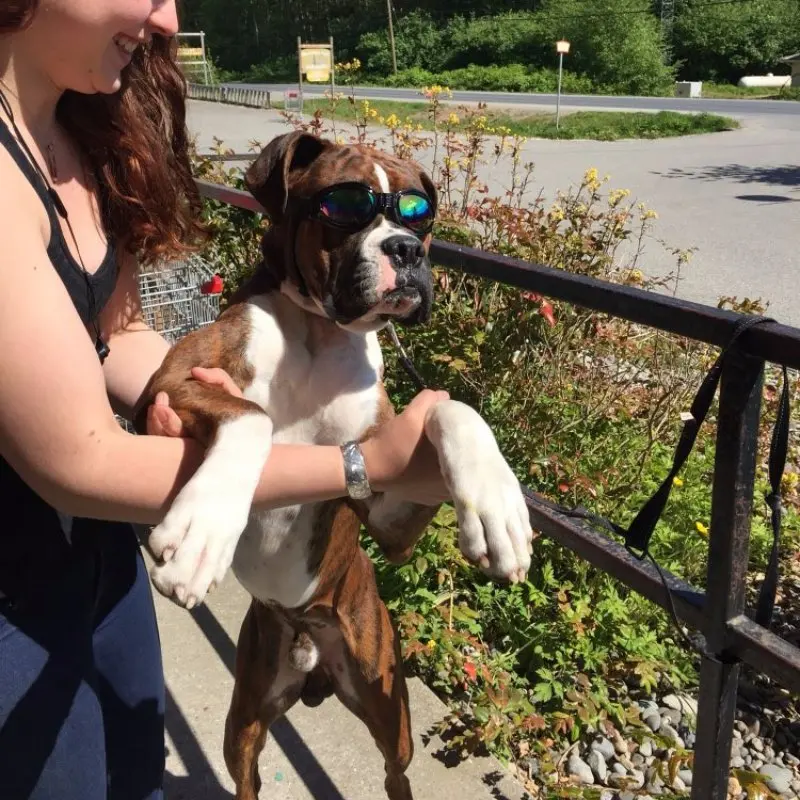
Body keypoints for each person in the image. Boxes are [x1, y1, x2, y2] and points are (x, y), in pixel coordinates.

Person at [0, 2, 450, 798]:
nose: (169, 16)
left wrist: (209, 396)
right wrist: (358, 465)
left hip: (101, 561)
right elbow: (75, 460)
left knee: (134, 773)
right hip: (14, 587)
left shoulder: (77, 135)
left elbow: (117, 334)